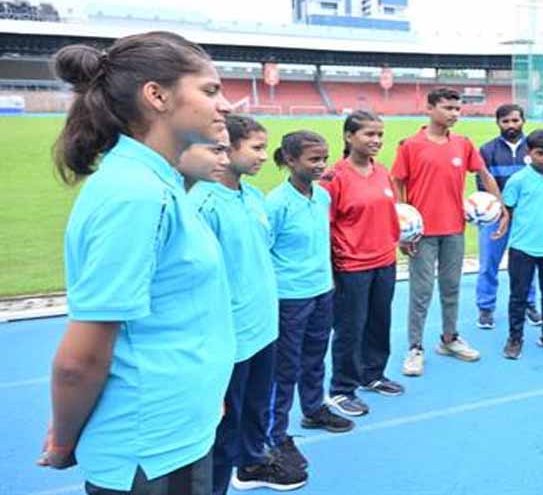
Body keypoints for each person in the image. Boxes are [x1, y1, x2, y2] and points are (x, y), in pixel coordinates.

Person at [39, 32, 236, 494]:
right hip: (149, 448)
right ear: (157, 96)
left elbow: (180, 309)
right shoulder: (135, 194)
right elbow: (80, 359)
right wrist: (64, 441)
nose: (225, 105)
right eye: (210, 90)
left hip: (178, 429)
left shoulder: (160, 183)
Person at [188, 115, 306, 492]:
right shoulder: (203, 203)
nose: (264, 156)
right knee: (225, 424)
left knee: (257, 406)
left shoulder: (254, 197)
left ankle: (253, 463)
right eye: (256, 148)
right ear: (227, 149)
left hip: (263, 326)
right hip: (230, 336)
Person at [391, 87, 508, 377]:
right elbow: (398, 183)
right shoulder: (411, 145)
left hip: (454, 229)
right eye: (448, 108)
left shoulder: (463, 144)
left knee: (451, 288)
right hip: (421, 234)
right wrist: (403, 228)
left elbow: (484, 175)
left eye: (457, 109)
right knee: (421, 292)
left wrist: (501, 207)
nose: (454, 113)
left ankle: (449, 339)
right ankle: (415, 348)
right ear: (429, 109)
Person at [266, 130, 353, 473]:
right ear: (290, 160)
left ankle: (314, 409)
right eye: (313, 159)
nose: (321, 165)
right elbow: (263, 251)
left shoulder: (322, 197)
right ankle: (275, 435)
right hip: (289, 297)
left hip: (321, 291)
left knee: (315, 357)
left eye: (324, 158)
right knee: (285, 367)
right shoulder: (276, 204)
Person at [319, 111, 406, 420]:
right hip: (351, 266)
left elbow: (390, 213)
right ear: (348, 136)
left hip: (385, 260)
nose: (377, 140)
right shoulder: (334, 178)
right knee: (349, 328)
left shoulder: (381, 171)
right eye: (369, 134)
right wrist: (330, 269)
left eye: (380, 134)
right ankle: (342, 389)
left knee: (379, 322)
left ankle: (373, 374)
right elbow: (324, 227)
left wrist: (402, 237)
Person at [501, 129, 543, 359]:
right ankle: (515, 338)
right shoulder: (517, 181)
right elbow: (508, 209)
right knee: (518, 295)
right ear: (529, 152)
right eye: (540, 153)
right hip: (522, 248)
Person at [475, 103, 540, 329]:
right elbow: (483, 184)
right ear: (498, 123)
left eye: (515, 120)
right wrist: (500, 209)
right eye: (505, 121)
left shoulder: (534, 148)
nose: (511, 125)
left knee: (528, 263)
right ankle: (486, 307)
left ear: (523, 121)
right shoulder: (487, 150)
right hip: (495, 217)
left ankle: (529, 303)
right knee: (488, 263)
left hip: (526, 218)